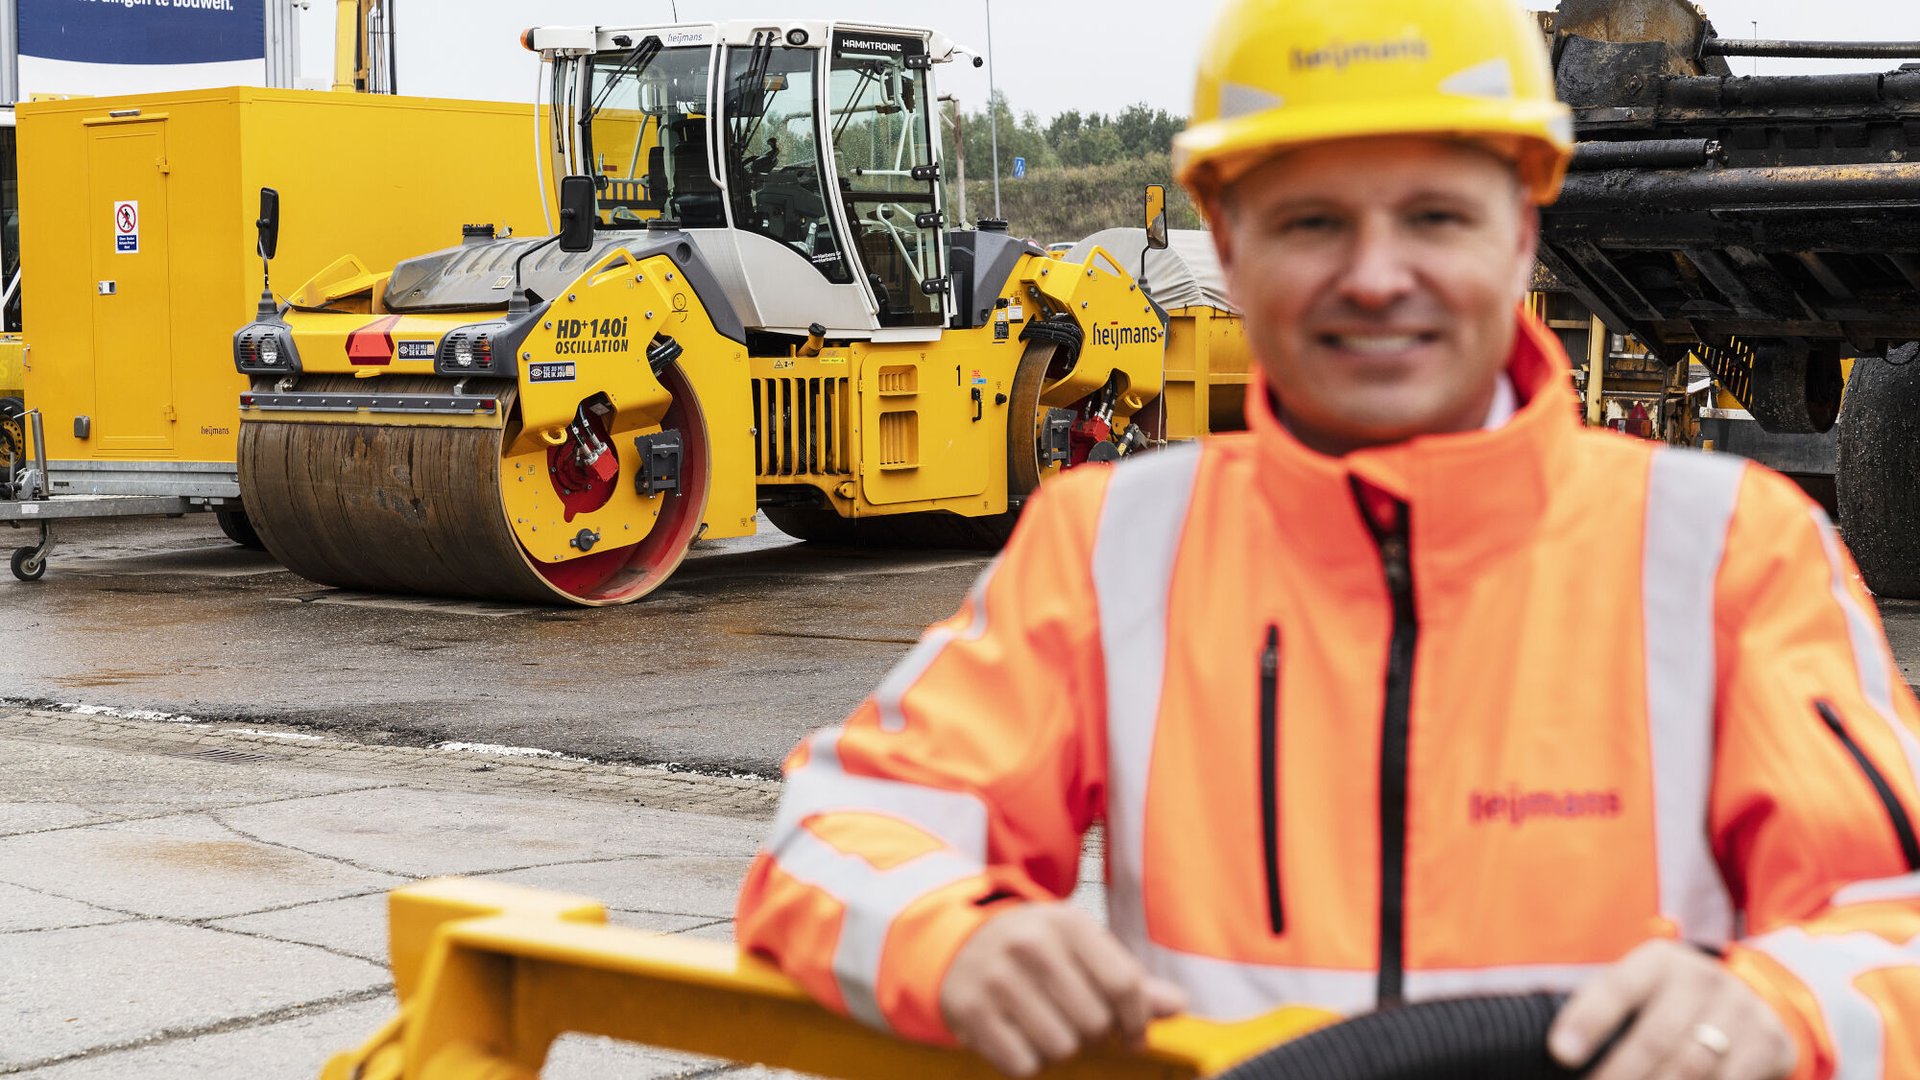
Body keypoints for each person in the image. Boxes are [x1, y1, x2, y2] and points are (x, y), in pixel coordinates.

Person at [736, 1, 1920, 1076]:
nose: (1377, 276)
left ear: (1522, 230)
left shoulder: (1726, 555)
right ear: (1230, 241)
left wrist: (1784, 1006)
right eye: (1312, 222)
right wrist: (953, 942)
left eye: (1437, 216)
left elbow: (1895, 915)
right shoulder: (1118, 549)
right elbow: (838, 836)